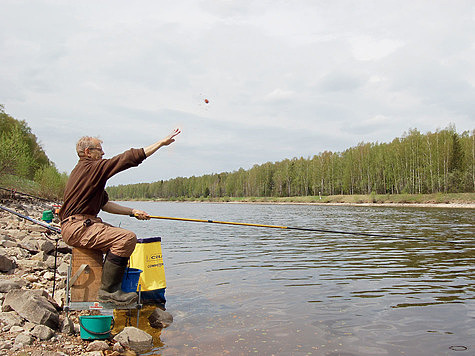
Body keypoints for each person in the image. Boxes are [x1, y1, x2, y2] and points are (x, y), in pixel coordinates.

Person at [59, 128, 181, 305]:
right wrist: (160, 143)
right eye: (99, 150)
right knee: (126, 238)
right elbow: (126, 159)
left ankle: (111, 287)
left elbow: (105, 205)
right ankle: (108, 292)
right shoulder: (90, 168)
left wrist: (132, 212)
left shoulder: (87, 174)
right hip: (77, 227)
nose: (103, 153)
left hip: (79, 225)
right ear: (88, 152)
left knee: (122, 239)